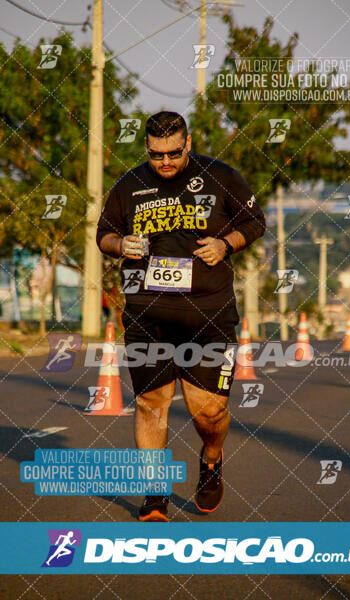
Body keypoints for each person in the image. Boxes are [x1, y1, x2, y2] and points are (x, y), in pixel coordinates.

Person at [96, 111, 265, 521]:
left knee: (209, 414)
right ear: (147, 149)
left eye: (173, 153)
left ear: (187, 144)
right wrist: (122, 245)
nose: (166, 162)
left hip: (208, 317)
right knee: (151, 403)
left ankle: (211, 457)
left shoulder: (221, 177)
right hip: (147, 315)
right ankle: (155, 496)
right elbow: (104, 234)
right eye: (157, 155)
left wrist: (225, 245)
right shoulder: (130, 185)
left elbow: (255, 221)